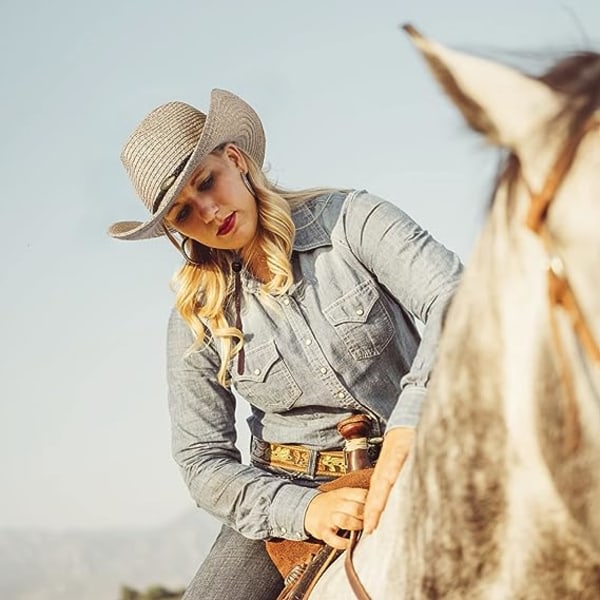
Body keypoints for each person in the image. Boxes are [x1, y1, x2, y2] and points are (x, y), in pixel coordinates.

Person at [108, 89, 463, 600]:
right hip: (288, 492)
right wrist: (304, 511)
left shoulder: (351, 220)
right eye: (183, 213)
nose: (207, 212)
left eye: (206, 182)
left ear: (235, 159)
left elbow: (456, 296)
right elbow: (201, 458)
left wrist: (412, 421)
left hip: (424, 444)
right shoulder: (195, 318)